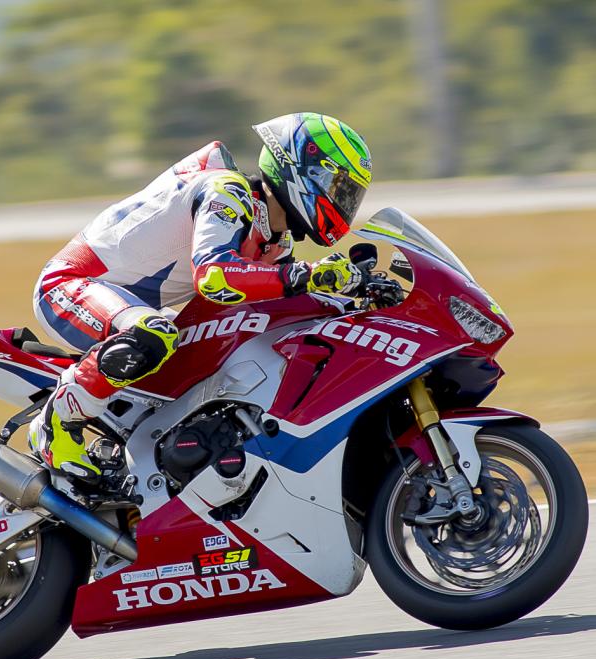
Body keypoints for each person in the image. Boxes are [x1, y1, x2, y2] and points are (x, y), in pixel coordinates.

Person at [29, 112, 373, 481]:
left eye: (348, 195)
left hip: (131, 305)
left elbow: (280, 300)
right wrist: (308, 274)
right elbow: (214, 276)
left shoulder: (276, 240)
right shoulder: (227, 192)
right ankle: (56, 422)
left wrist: (355, 296)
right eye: (338, 188)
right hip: (70, 285)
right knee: (154, 334)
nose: (342, 202)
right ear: (300, 168)